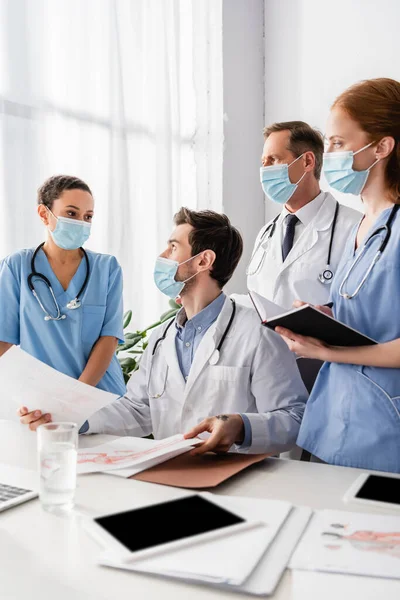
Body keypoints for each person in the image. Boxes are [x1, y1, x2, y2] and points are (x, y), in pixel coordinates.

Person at [21, 208, 308, 456]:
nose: (162, 256)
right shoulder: (162, 337)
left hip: (238, 478)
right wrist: (72, 418)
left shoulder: (257, 332)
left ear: (203, 261)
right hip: (172, 475)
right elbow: (137, 409)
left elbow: (295, 418)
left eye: (172, 247)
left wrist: (242, 426)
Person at [275, 78, 400, 473]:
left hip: (382, 429)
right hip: (332, 419)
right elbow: (367, 310)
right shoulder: (363, 226)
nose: (328, 155)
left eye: (338, 143)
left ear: (381, 147)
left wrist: (328, 351)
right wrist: (325, 318)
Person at [1, 175, 126, 399]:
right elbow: (4, 340)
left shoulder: (107, 268)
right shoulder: (16, 267)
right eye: (71, 213)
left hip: (100, 396)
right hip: (41, 398)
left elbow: (109, 338)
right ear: (43, 214)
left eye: (88, 216)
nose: (81, 222)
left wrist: (74, 398)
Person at [247, 121, 360, 308]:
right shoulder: (266, 233)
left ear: (307, 161)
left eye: (273, 159)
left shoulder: (355, 228)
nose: (265, 169)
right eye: (263, 162)